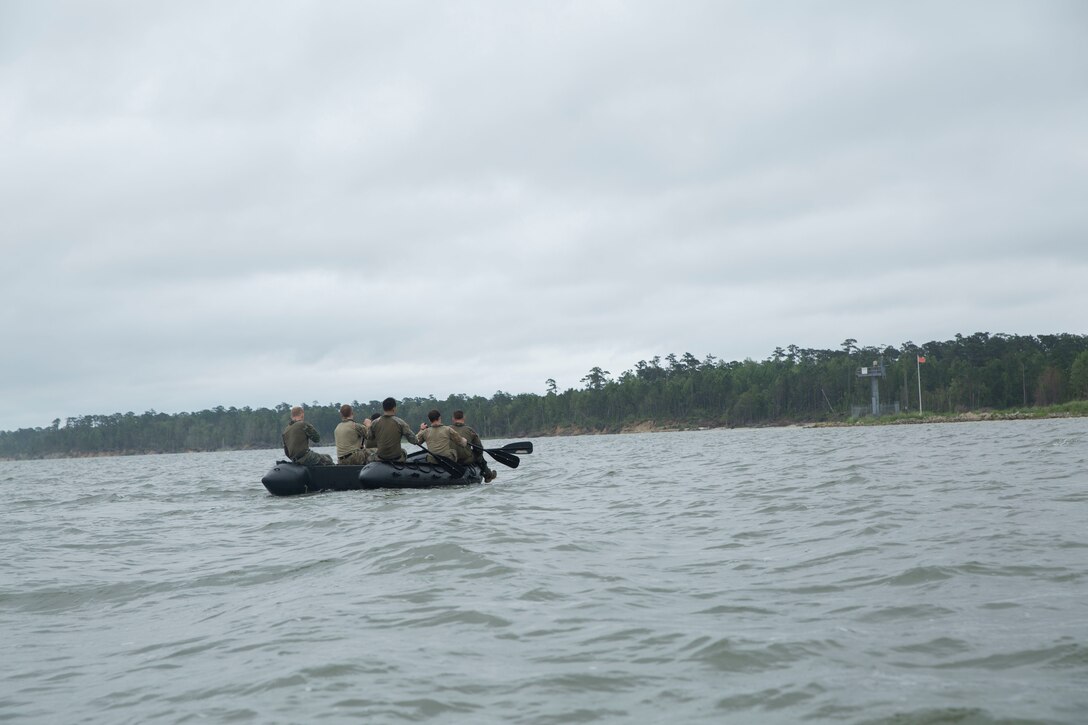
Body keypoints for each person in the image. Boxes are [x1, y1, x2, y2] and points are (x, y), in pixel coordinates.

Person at [450, 409, 497, 482]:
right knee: (479, 456)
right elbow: (479, 449)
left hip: (450, 459)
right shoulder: (470, 430)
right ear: (464, 418)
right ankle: (488, 475)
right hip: (465, 460)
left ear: (453, 419)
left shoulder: (447, 430)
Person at [365, 397, 416, 462]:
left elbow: (369, 437)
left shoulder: (375, 423)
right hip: (396, 458)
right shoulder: (400, 422)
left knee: (370, 457)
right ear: (394, 408)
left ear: (383, 408)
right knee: (404, 451)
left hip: (380, 457)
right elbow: (414, 440)